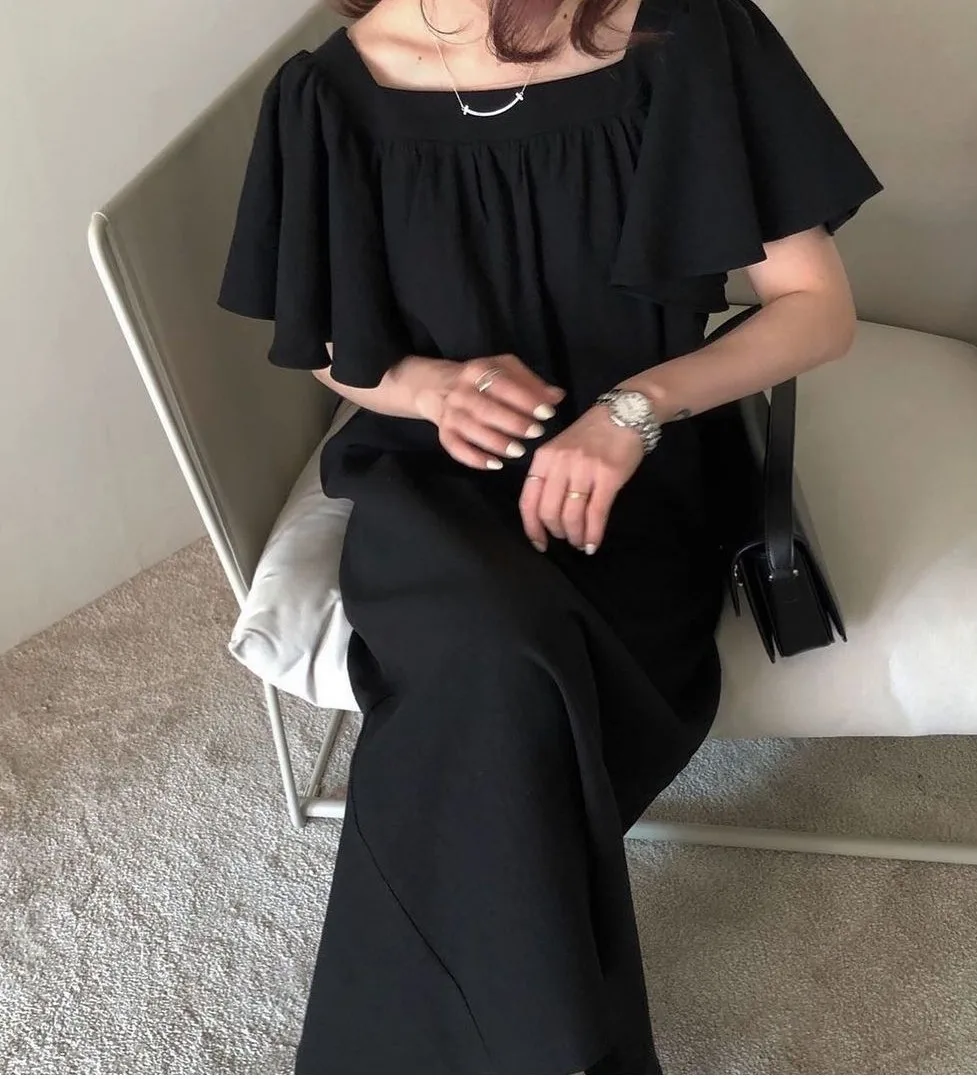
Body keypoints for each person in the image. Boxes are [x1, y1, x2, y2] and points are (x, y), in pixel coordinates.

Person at [217, 0, 883, 1071]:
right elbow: (333, 343)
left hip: (640, 482)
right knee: (492, 657)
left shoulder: (688, 36)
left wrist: (632, 412)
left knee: (501, 707)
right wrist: (430, 388)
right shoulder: (326, 95)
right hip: (434, 480)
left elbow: (817, 308)